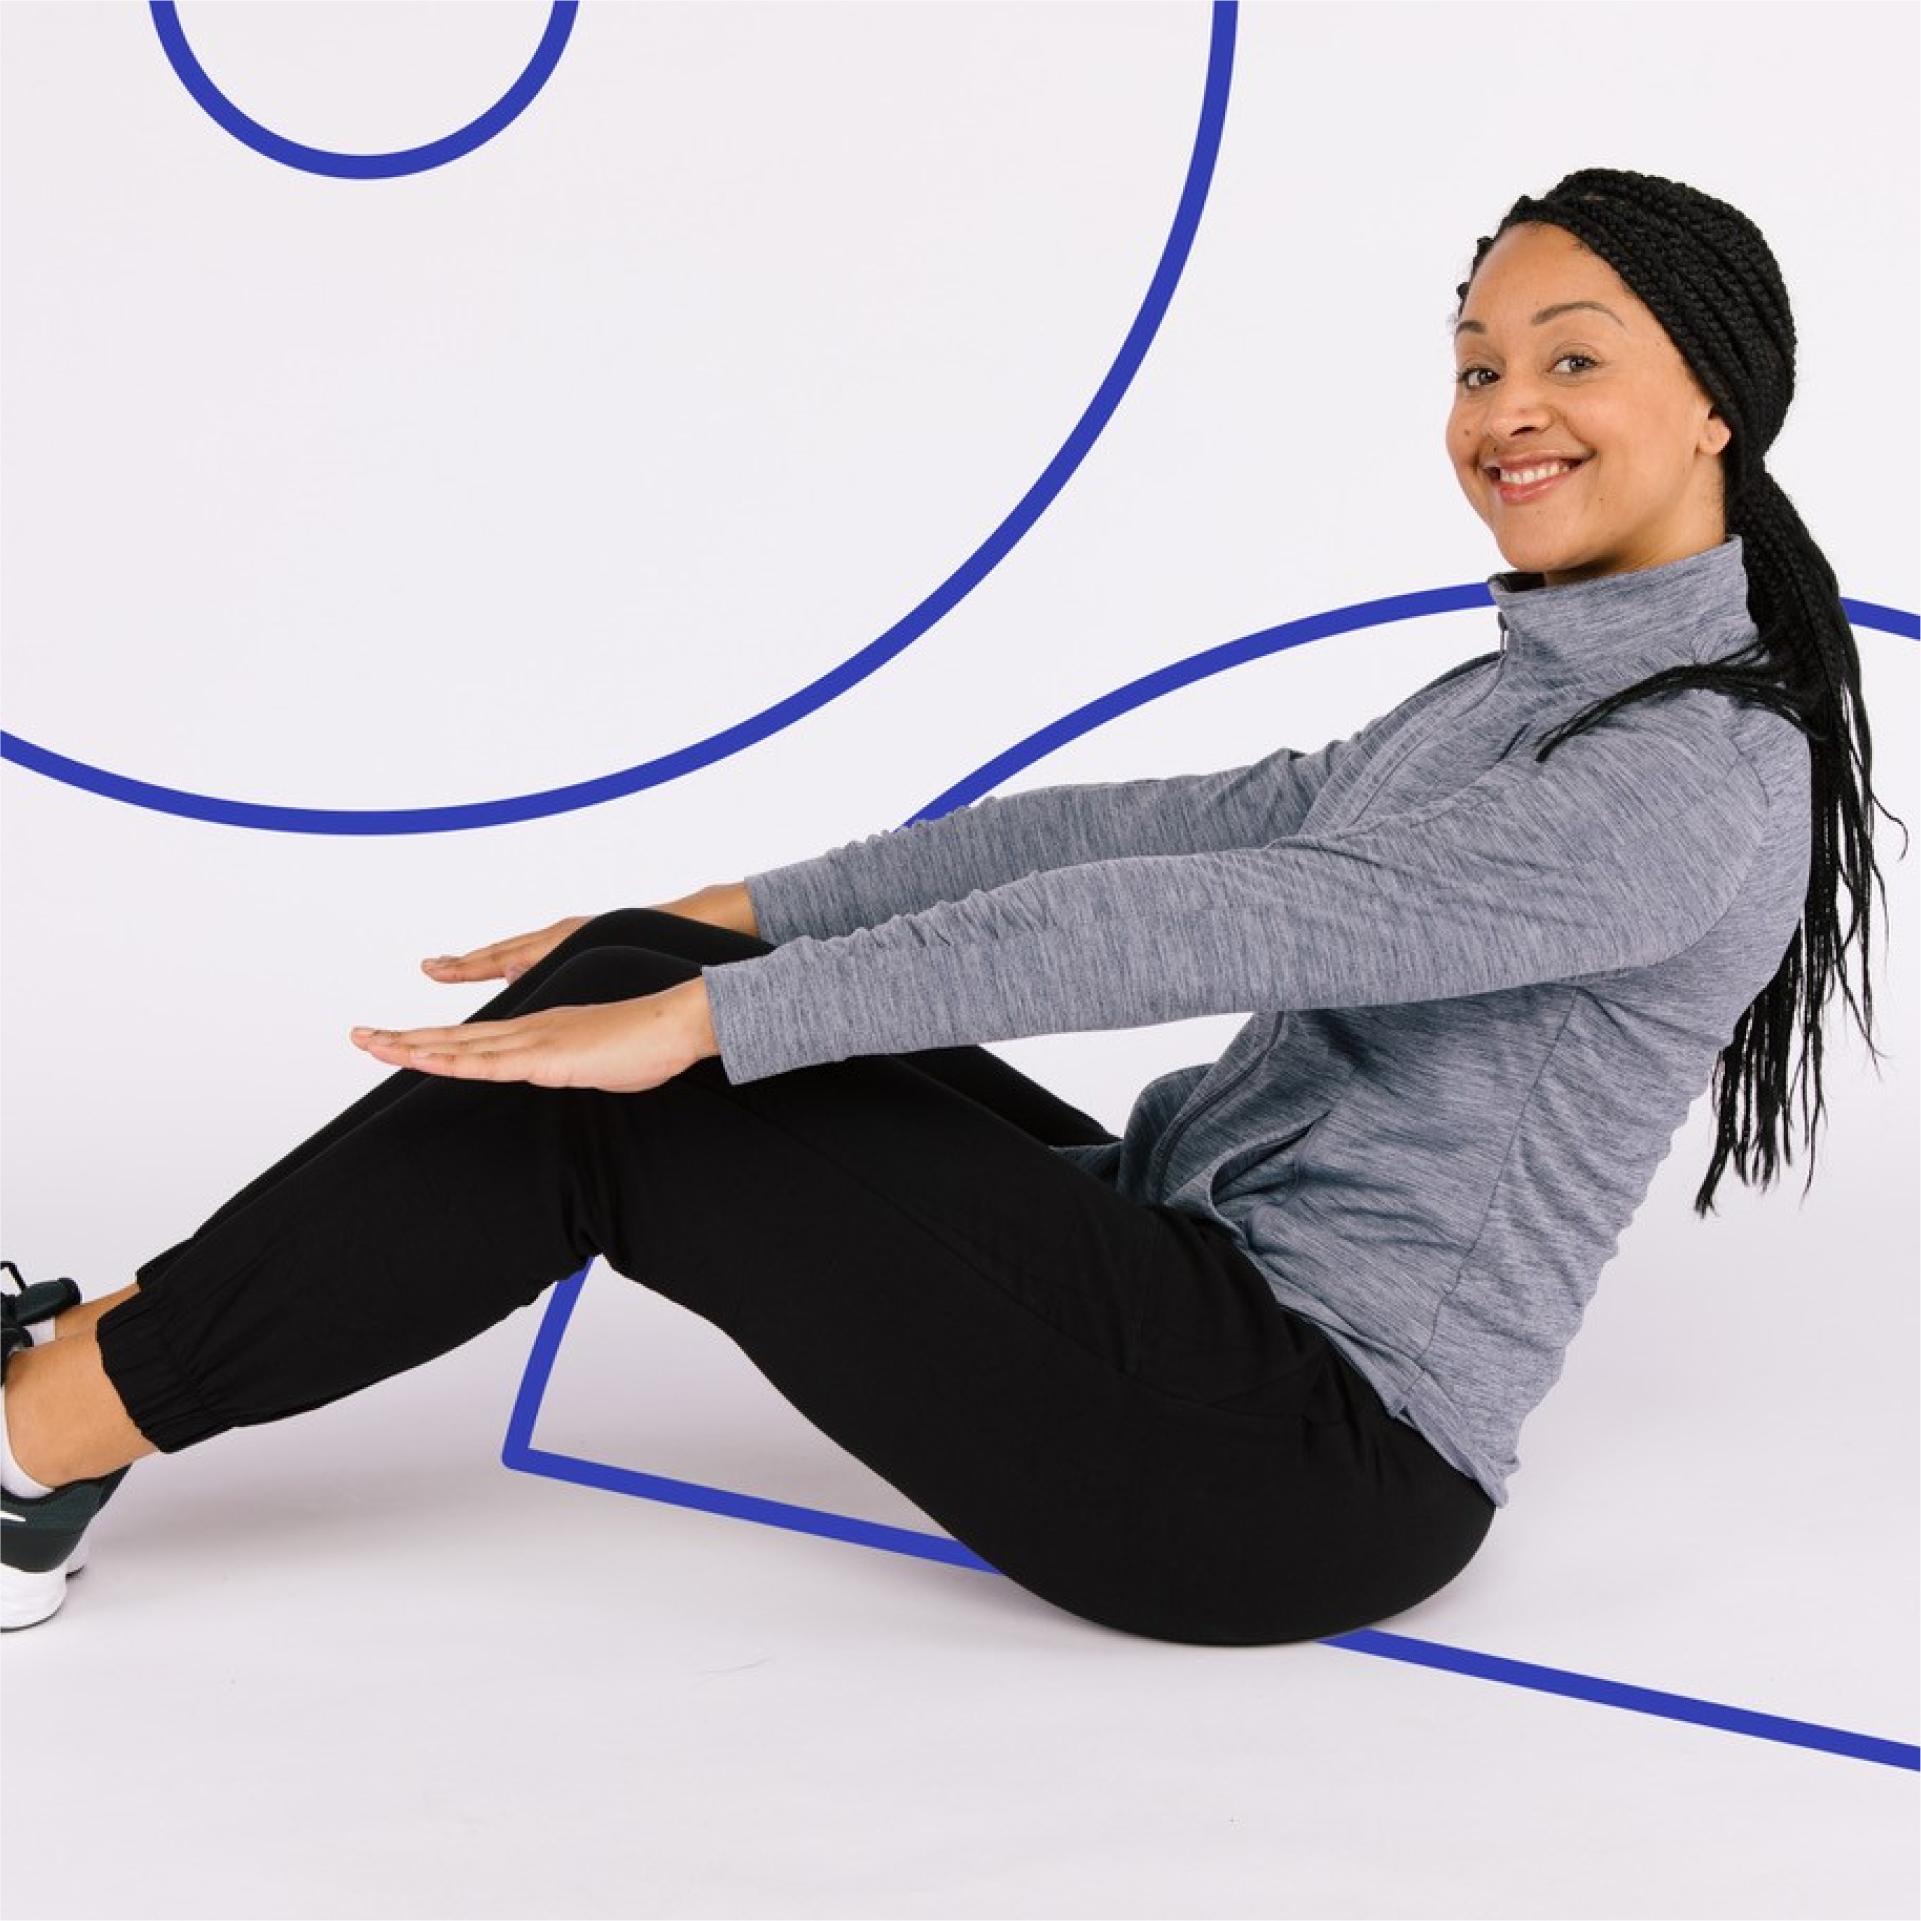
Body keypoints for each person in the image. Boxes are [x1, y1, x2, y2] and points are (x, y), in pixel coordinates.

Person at [1, 167, 1896, 1641]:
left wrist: (718, 1020)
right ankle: (106, 1334)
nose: (1505, 408)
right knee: (659, 976)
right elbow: (1181, 823)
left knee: (647, 1092)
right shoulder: (1538, 688)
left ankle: (35, 1445)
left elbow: (1228, 918)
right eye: (1478, 362)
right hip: (1197, 1292)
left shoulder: (1688, 775)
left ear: (1715, 398)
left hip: (1298, 1465)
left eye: (1573, 356)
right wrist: (736, 917)